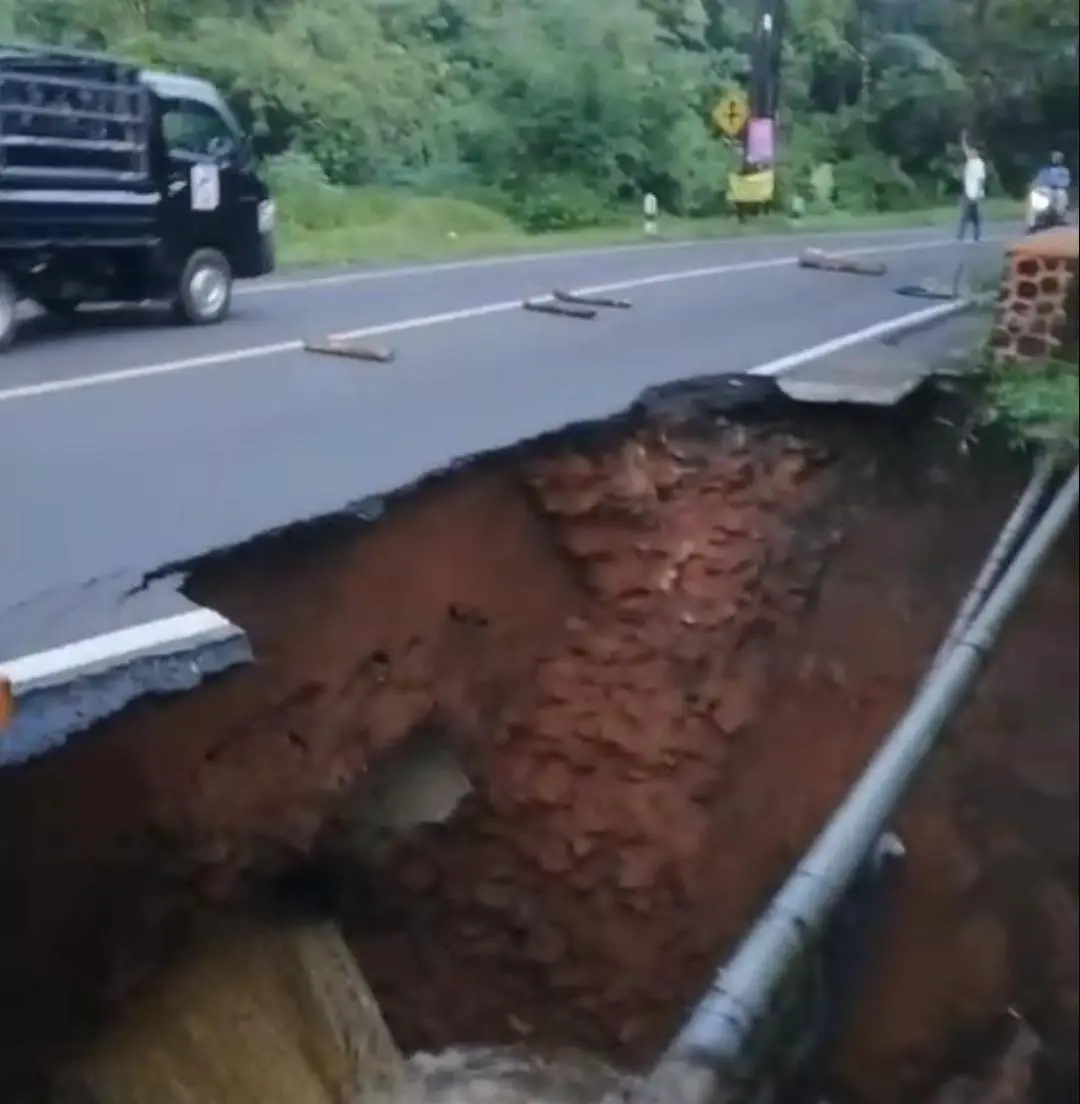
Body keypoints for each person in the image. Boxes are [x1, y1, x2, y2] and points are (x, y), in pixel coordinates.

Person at [958, 136, 987, 242]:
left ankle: (976, 235)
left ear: (977, 153)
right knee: (965, 215)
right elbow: (965, 148)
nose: (970, 152)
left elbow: (981, 179)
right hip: (968, 192)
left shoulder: (979, 163)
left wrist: (978, 193)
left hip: (976, 193)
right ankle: (961, 235)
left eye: (973, 151)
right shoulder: (970, 160)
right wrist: (963, 138)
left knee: (975, 216)